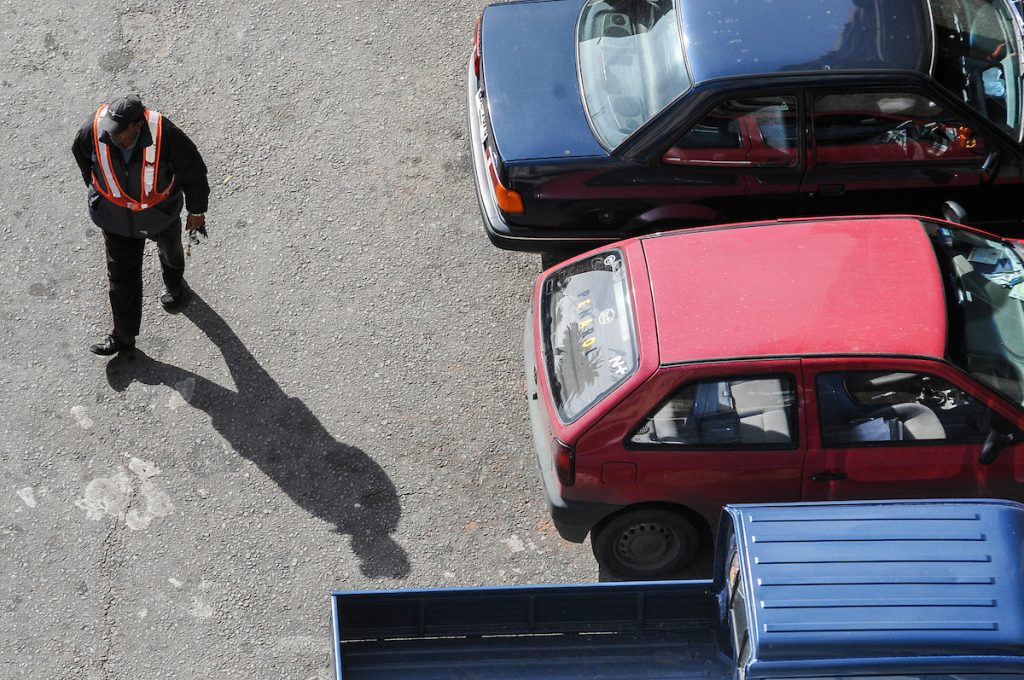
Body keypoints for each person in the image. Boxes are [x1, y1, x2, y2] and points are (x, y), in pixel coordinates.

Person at [72, 95, 210, 356]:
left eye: (119, 132)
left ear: (137, 125)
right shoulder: (92, 130)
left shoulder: (166, 135)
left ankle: (175, 285)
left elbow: (194, 173)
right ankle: (123, 336)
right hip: (116, 220)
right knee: (120, 277)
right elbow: (82, 159)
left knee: (170, 252)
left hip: (160, 213)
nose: (111, 136)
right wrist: (100, 194)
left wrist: (197, 211)